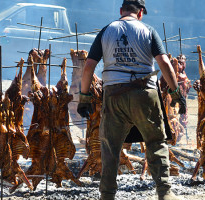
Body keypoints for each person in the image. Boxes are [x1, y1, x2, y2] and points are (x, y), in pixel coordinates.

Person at [77, 0, 186, 199]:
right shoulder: (148, 30)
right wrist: (176, 92)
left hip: (114, 95)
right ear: (141, 13)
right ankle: (164, 193)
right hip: (145, 94)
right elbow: (164, 64)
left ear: (121, 11)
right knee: (155, 142)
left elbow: (88, 67)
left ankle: (107, 195)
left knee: (110, 146)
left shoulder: (106, 30)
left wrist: (84, 97)